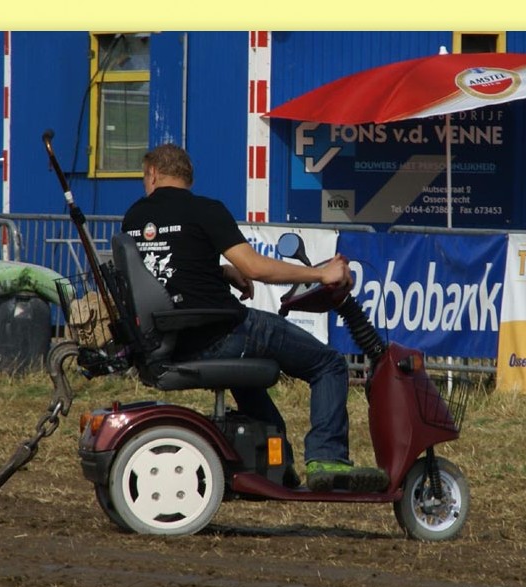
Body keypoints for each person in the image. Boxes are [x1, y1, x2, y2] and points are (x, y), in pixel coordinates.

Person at [121, 144, 388, 493]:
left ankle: (277, 464)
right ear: (188, 177)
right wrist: (320, 274)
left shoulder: (134, 218)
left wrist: (222, 271)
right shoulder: (205, 210)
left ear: (153, 174)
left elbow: (163, 272)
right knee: (328, 365)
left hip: (169, 341)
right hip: (221, 332)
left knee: (247, 378)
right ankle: (327, 459)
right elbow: (255, 267)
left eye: (144, 178)